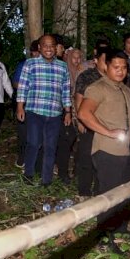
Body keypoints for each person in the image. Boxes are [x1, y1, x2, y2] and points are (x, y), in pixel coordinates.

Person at [78, 50, 130, 249]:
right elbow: (83, 113)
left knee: (126, 192)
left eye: (124, 67)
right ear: (106, 67)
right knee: (108, 195)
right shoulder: (97, 88)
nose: (121, 71)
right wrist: (108, 132)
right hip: (105, 150)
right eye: (116, 67)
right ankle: (103, 238)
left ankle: (119, 228)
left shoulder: (124, 90)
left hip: (124, 151)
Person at [16, 34, 72, 186]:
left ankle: (46, 180)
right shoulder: (30, 64)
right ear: (39, 48)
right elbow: (23, 86)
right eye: (45, 45)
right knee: (33, 143)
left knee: (50, 146)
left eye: (51, 45)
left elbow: (66, 90)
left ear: (56, 48)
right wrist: (20, 106)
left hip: (55, 114)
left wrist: (68, 111)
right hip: (34, 111)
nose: (48, 48)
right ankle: (28, 174)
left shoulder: (63, 66)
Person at [73, 44, 113, 197]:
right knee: (86, 159)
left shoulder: (115, 78)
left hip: (108, 126)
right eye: (105, 60)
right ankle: (84, 192)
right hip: (89, 124)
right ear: (96, 61)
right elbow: (79, 98)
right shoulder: (86, 76)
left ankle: (99, 191)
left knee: (103, 160)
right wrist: (81, 121)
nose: (107, 64)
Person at [55, 47, 87, 184]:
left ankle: (76, 170)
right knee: (66, 140)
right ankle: (62, 171)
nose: (77, 60)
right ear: (68, 57)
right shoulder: (63, 70)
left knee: (79, 141)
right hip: (63, 111)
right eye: (74, 57)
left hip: (77, 113)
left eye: (79, 57)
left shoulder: (82, 73)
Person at [11, 40, 40, 168]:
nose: (37, 55)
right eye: (35, 52)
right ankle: (22, 158)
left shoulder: (47, 66)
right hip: (25, 103)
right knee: (24, 133)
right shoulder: (24, 65)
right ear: (32, 53)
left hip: (40, 106)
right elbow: (15, 83)